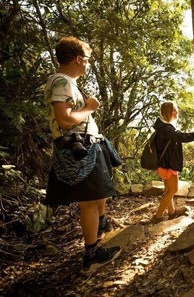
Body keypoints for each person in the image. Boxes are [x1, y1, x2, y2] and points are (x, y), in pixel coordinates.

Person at [44, 36, 121, 274]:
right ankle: (92, 254)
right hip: (79, 150)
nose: (88, 64)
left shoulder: (65, 82)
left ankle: (101, 225)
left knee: (98, 195)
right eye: (87, 60)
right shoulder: (62, 82)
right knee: (88, 202)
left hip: (87, 146)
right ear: (78, 59)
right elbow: (65, 119)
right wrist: (89, 108)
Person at [150, 101, 194, 223]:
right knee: (173, 190)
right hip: (167, 165)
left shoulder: (161, 126)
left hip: (162, 164)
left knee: (168, 190)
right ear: (167, 112)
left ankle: (172, 212)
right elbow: (180, 136)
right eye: (174, 110)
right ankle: (157, 216)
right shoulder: (167, 128)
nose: (176, 112)